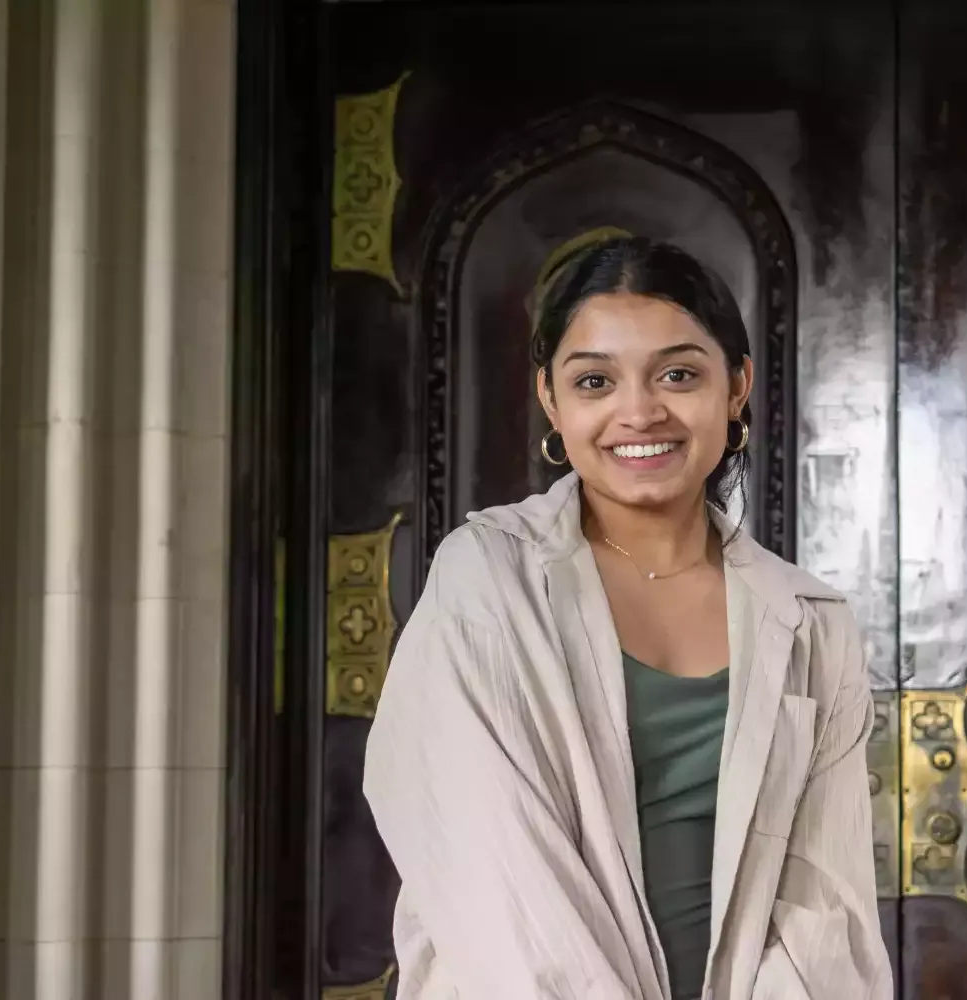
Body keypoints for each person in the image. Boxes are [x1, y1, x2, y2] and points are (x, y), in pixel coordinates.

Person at [364, 236, 893, 1000]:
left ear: (736, 387)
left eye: (678, 374)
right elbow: (496, 878)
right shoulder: (487, 578)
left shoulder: (811, 622)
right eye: (595, 381)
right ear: (552, 399)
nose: (639, 411)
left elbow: (825, 903)